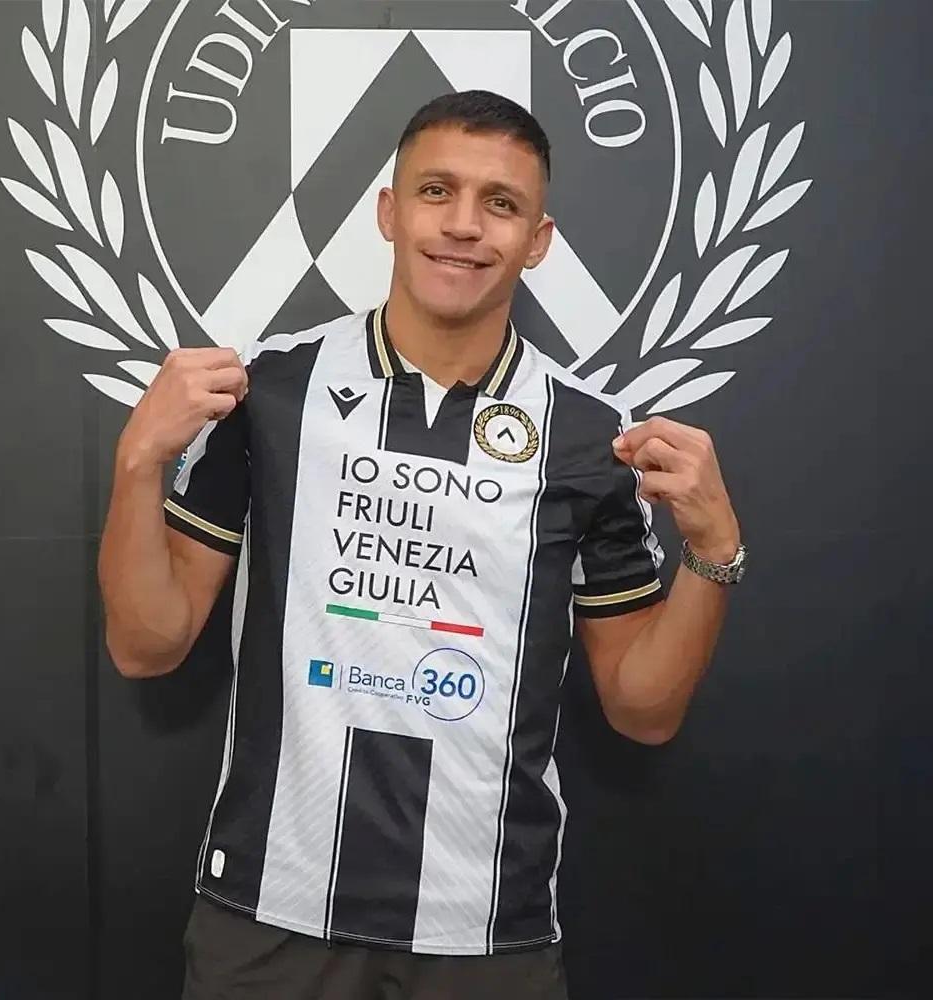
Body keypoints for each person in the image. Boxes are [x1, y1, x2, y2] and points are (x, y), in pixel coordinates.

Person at [98, 89, 747, 1000]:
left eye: (501, 203)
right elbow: (146, 645)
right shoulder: (272, 394)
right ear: (388, 213)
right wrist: (137, 463)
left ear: (538, 240)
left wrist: (712, 552)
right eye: (437, 191)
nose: (464, 225)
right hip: (270, 918)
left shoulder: (588, 439)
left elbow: (644, 711)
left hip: (487, 933)